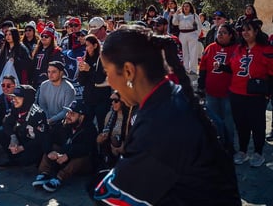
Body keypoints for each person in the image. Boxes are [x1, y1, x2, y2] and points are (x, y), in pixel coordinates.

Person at [93, 25, 240, 205]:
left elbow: (114, 198)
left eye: (107, 72)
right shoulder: (171, 99)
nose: (109, 83)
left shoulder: (161, 123)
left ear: (129, 71)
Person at [227, 19, 273, 167]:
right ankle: (242, 151)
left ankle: (258, 153)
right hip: (236, 93)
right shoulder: (238, 48)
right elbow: (232, 67)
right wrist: (221, 67)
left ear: (256, 31)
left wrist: (269, 93)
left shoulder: (266, 50)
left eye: (249, 30)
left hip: (256, 96)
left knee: (257, 125)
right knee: (241, 125)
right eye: (243, 30)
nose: (245, 32)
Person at [31, 100, 96, 192]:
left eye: (72, 114)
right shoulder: (63, 124)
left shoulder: (90, 129)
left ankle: (58, 179)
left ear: (81, 117)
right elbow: (47, 137)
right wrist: (50, 151)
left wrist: (68, 155)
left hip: (82, 163)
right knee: (52, 147)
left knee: (82, 158)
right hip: (64, 157)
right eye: (68, 112)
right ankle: (44, 173)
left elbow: (86, 148)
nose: (68, 116)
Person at [198, 23, 238, 153]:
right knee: (213, 121)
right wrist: (201, 86)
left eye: (224, 32)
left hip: (229, 92)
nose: (220, 35)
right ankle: (215, 146)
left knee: (228, 122)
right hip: (211, 91)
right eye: (219, 32)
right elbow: (203, 69)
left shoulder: (237, 49)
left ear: (231, 35)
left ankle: (229, 146)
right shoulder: (210, 48)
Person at [0, 84, 48, 168]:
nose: (14, 100)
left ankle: (36, 162)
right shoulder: (16, 107)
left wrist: (22, 147)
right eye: (13, 97)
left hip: (34, 144)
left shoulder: (38, 114)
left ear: (27, 99)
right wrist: (13, 137)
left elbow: (41, 139)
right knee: (2, 133)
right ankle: (13, 160)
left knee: (26, 160)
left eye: (17, 97)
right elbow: (7, 123)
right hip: (23, 137)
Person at [76, 35, 110, 131]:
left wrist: (89, 69)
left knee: (102, 127)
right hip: (89, 99)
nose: (86, 48)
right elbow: (81, 82)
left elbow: (99, 79)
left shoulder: (102, 59)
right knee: (86, 127)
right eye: (85, 46)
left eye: (88, 45)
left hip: (101, 100)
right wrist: (82, 70)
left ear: (95, 46)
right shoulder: (86, 59)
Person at [36, 61, 75, 125]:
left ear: (61, 73)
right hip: (46, 119)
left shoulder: (69, 88)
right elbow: (42, 105)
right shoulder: (44, 85)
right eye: (48, 72)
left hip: (63, 122)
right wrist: (46, 118)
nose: (50, 75)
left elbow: (66, 111)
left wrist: (51, 120)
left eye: (54, 72)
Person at [173, 1, 202, 74]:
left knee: (193, 52)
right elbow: (174, 23)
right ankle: (185, 68)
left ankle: (193, 69)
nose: (185, 8)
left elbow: (199, 26)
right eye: (184, 6)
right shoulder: (180, 16)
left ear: (190, 7)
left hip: (192, 34)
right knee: (184, 52)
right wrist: (176, 14)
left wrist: (196, 35)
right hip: (182, 34)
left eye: (187, 6)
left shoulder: (194, 15)